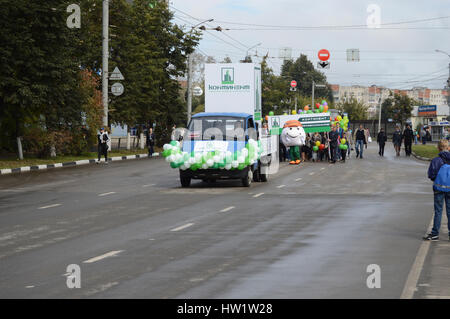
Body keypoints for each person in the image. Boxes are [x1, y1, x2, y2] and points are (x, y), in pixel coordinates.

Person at [423, 139, 450, 241]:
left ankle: (435, 234)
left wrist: (438, 180)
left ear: (438, 148)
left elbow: (431, 175)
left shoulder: (436, 160)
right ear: (448, 148)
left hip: (438, 188)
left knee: (438, 211)